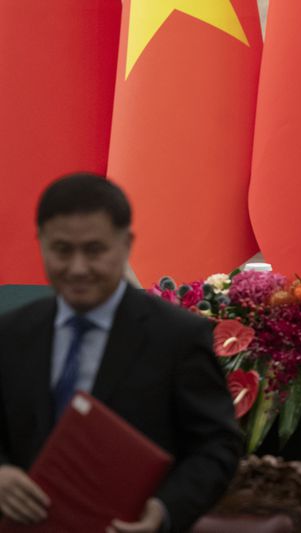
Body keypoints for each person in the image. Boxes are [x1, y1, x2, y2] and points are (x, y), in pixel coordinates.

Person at [0, 173, 242, 532]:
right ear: (41, 244)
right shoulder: (11, 333)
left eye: (95, 250)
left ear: (126, 244)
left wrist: (163, 510)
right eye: (62, 250)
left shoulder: (176, 336)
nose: (78, 268)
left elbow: (218, 446)